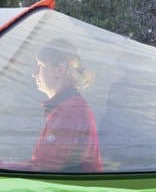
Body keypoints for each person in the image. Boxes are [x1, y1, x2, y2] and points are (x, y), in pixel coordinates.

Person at [25, 41, 102, 173]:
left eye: (40, 66)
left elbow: (41, 169)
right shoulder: (66, 106)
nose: (34, 73)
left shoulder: (70, 111)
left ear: (59, 70)